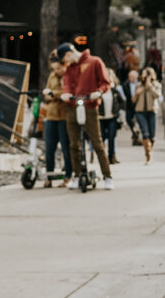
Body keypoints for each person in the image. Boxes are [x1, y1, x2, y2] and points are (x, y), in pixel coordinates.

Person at [58, 42, 114, 190]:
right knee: (74, 144)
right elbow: (67, 84)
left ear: (69, 53)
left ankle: (107, 176)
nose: (66, 62)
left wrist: (99, 92)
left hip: (90, 106)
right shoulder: (70, 69)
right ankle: (77, 175)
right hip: (72, 106)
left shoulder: (94, 61)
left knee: (97, 142)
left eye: (65, 58)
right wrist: (66, 94)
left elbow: (105, 82)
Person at [39, 51, 73, 187]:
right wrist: (51, 95)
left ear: (64, 65)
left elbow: (67, 92)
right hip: (51, 115)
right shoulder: (51, 76)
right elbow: (47, 93)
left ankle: (68, 176)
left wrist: (54, 94)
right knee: (49, 148)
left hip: (64, 115)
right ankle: (49, 176)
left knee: (66, 147)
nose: (56, 71)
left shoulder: (68, 76)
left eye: (58, 68)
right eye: (54, 69)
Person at [133, 66, 162, 164]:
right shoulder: (138, 85)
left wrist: (149, 86)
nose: (143, 76)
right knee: (145, 133)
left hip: (152, 111)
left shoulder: (156, 85)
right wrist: (138, 92)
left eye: (145, 74)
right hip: (140, 111)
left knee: (152, 136)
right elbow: (133, 100)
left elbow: (157, 95)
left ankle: (149, 150)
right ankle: (148, 155)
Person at [98, 66, 122, 165]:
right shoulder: (99, 90)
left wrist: (119, 113)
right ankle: (103, 159)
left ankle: (111, 156)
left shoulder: (115, 91)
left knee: (112, 138)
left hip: (112, 117)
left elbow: (122, 102)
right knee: (102, 138)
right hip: (101, 118)